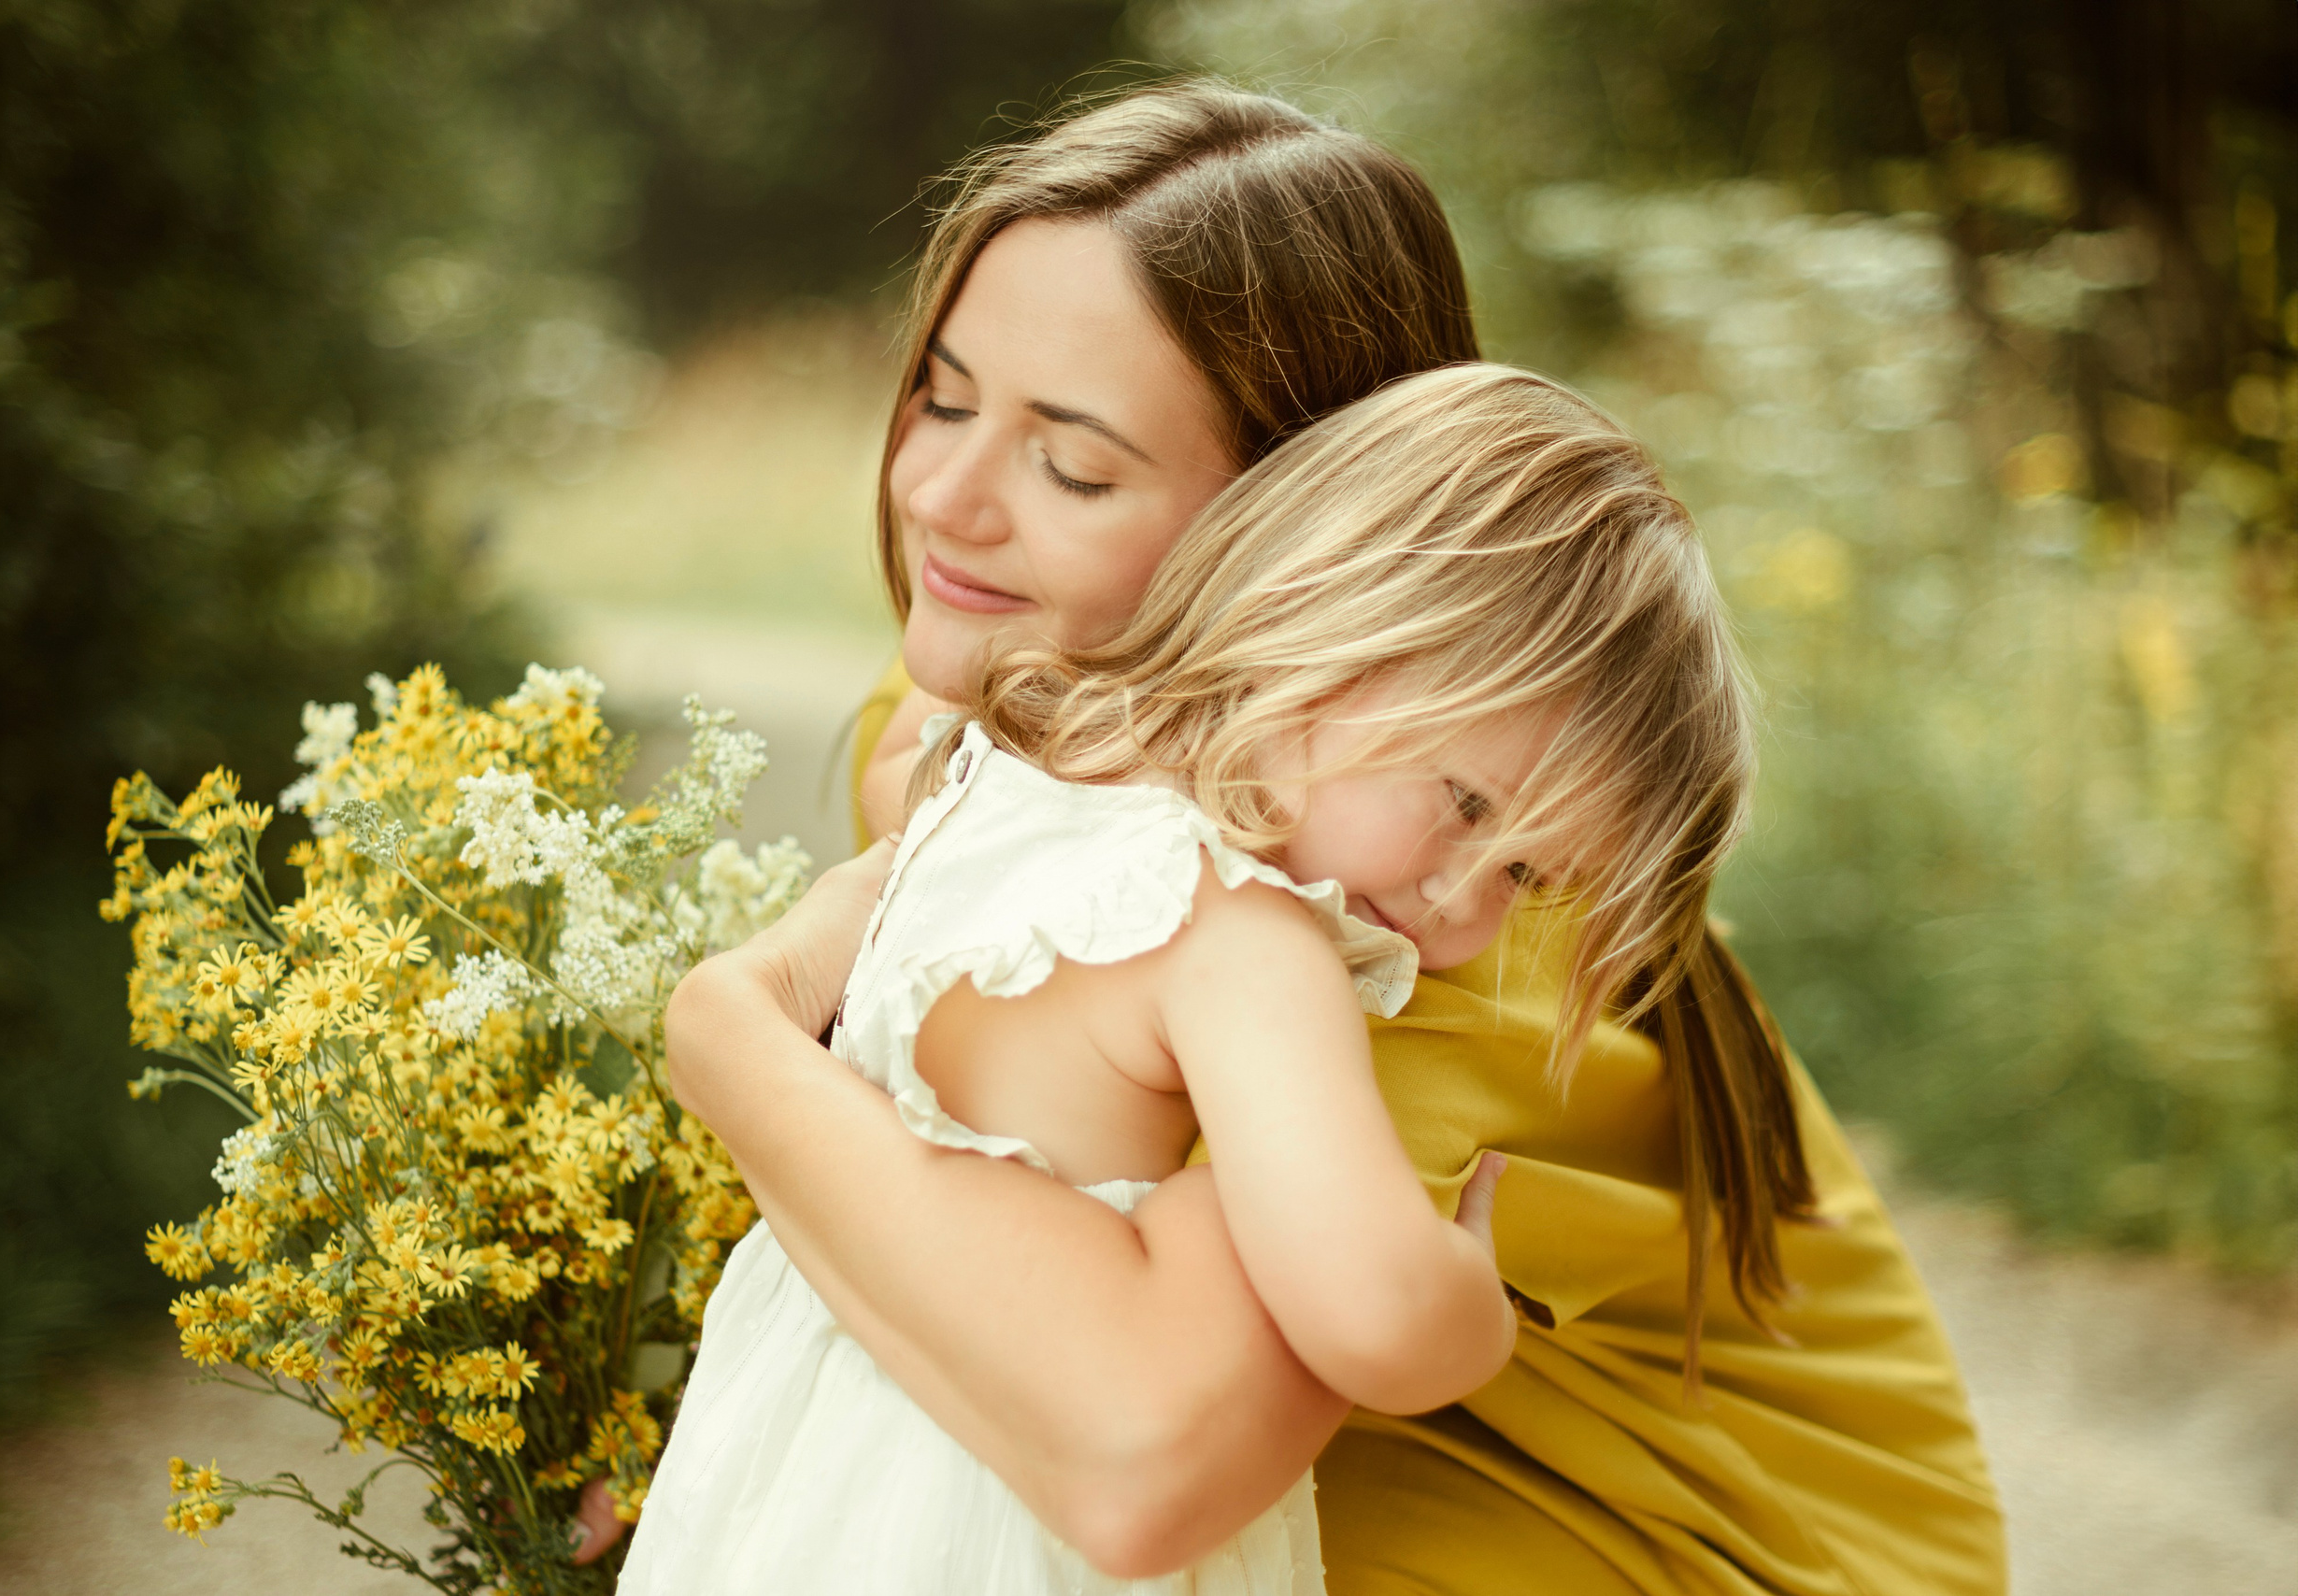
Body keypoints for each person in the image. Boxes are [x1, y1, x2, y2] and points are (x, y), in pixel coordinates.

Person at [657, 83, 2006, 1596]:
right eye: (946, 399)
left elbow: (1136, 1462)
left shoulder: (1381, 921)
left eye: (1076, 466)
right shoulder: (972, 742)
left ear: (1307, 528)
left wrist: (728, 1037)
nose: (943, 498)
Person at [633, 359, 1756, 1591]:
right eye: (1465, 803)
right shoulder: (1250, 947)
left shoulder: (980, 773)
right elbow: (1374, 1315)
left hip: (800, 1472)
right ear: (1331, 615)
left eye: (1526, 881)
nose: (1456, 904)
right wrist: (1470, 1298)